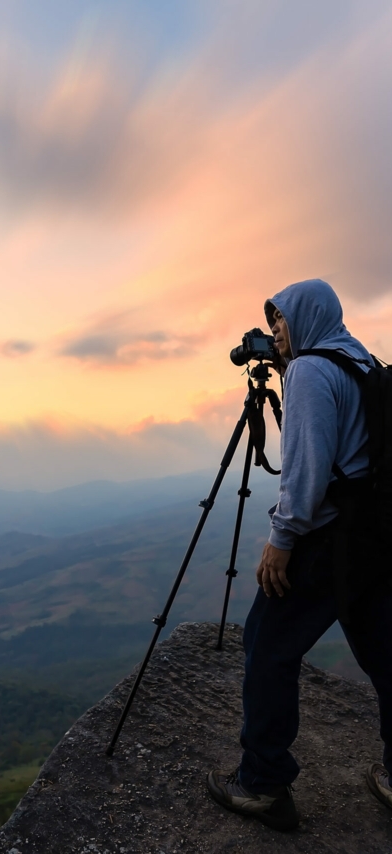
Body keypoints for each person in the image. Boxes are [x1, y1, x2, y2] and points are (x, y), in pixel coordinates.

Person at [206, 278, 392, 831]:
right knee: (386, 654)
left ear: (307, 316)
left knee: (266, 647)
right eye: (272, 323)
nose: (276, 333)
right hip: (376, 536)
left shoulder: (311, 370)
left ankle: (262, 784)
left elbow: (306, 470)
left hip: (328, 539)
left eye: (282, 320)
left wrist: (281, 540)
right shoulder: (363, 359)